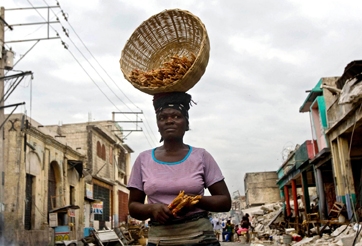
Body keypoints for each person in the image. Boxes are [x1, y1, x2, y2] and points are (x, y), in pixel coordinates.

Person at [127, 92, 232, 246]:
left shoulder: (201, 156)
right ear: (158, 124)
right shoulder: (143, 159)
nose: (169, 121)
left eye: (176, 116)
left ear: (186, 122)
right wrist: (152, 209)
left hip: (201, 239)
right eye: (163, 118)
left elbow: (225, 201)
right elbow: (133, 206)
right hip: (160, 240)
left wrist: (194, 201)